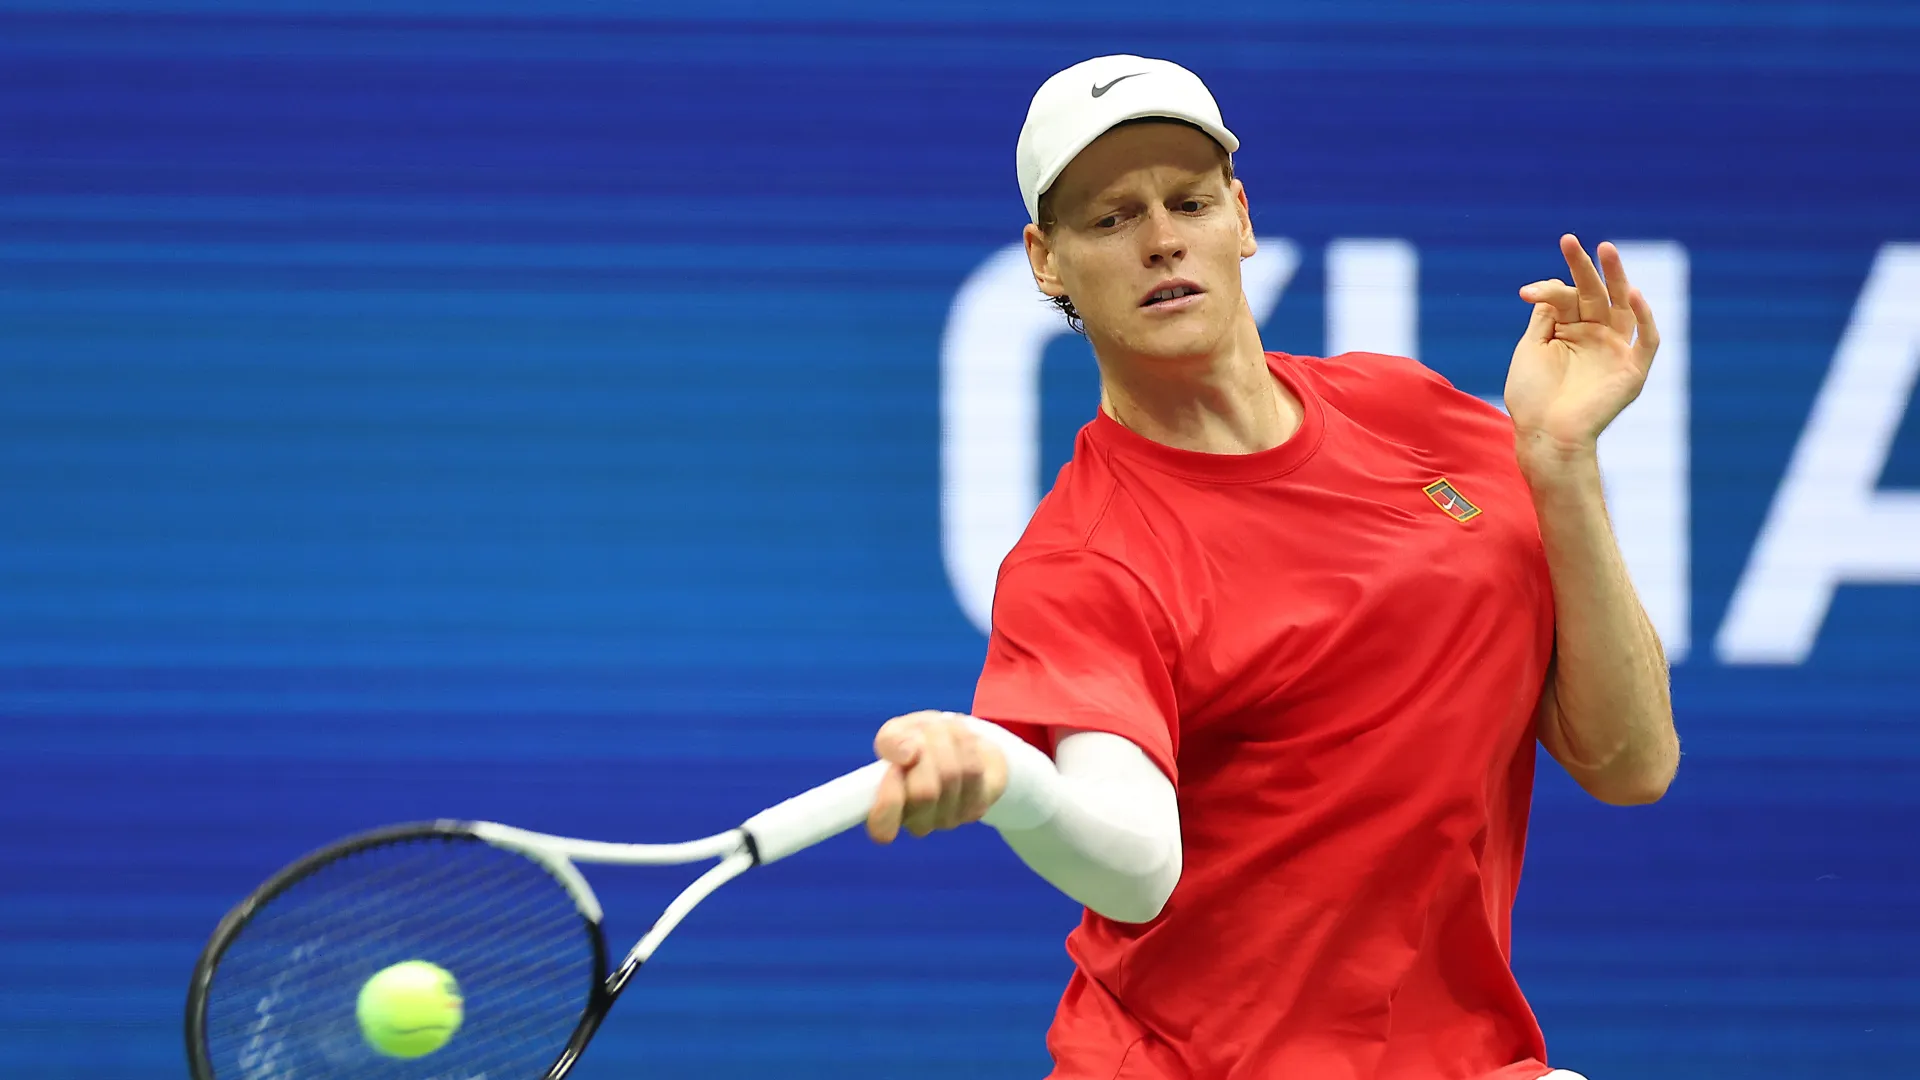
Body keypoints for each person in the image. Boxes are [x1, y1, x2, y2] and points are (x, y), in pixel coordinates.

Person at [863, 54, 1678, 1080]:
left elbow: (1632, 764)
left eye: (1189, 202)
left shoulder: (1418, 416)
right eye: (1111, 219)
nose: (1162, 240)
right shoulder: (1083, 561)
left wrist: (1559, 463)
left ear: (1240, 217)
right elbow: (1133, 862)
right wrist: (1010, 780)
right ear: (1046, 261)